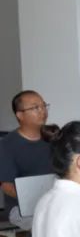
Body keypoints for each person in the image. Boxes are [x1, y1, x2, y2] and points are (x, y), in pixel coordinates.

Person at [0, 90, 53, 222]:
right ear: (20, 115)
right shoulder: (7, 144)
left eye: (44, 106)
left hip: (54, 201)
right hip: (20, 207)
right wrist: (37, 201)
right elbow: (6, 186)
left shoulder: (53, 138)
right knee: (50, 221)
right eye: (36, 107)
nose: (43, 111)